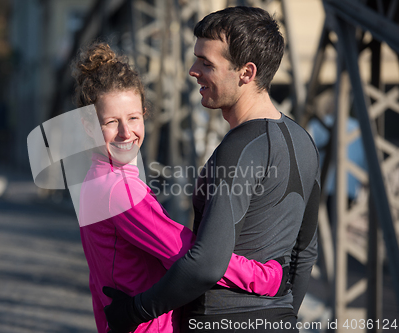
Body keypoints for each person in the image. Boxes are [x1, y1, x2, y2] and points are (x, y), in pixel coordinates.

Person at [103, 6, 320, 333]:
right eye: (195, 59)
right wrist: (279, 316)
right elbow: (305, 254)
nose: (192, 71)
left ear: (246, 73)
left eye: (207, 64)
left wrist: (135, 310)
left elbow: (207, 263)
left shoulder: (239, 149)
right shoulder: (304, 142)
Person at [73, 42, 289, 333]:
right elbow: (189, 253)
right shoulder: (117, 190)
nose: (126, 133)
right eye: (112, 122)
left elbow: (101, 275)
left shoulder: (93, 177)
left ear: (145, 113)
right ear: (89, 126)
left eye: (134, 118)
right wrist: (266, 278)